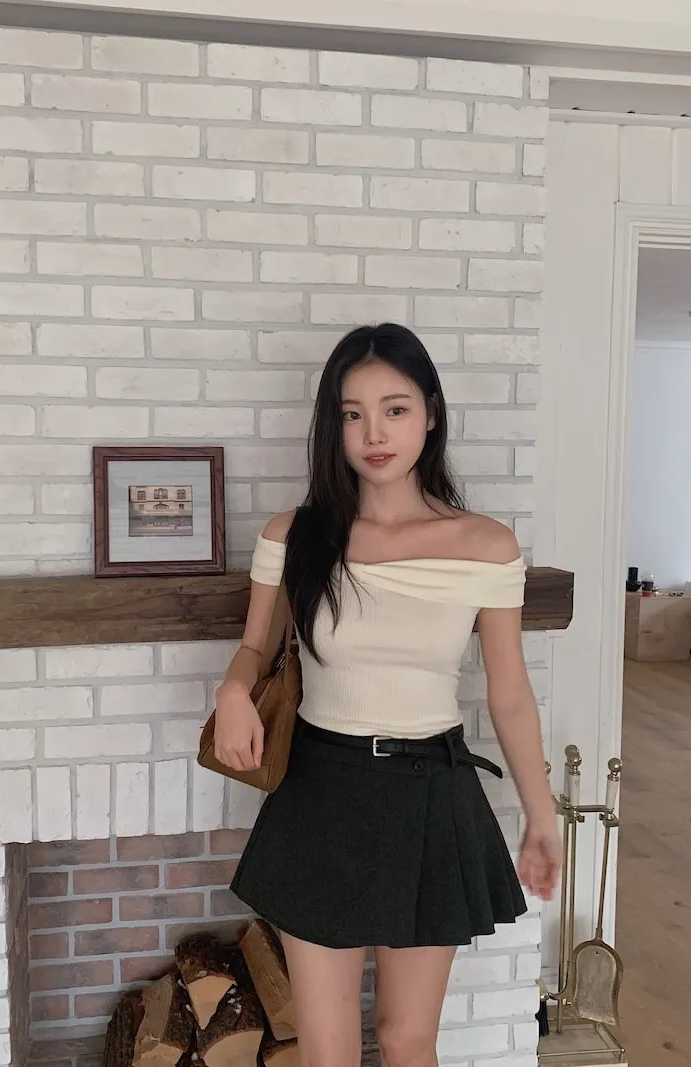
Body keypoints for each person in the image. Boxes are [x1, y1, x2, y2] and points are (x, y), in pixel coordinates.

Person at [214, 323, 561, 1067]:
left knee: (407, 1039)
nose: (374, 433)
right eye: (353, 413)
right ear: (332, 425)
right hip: (322, 791)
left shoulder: (486, 546)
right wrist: (233, 692)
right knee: (329, 1047)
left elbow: (509, 695)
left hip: (431, 794)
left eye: (395, 409)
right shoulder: (295, 536)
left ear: (430, 414)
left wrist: (542, 815)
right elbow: (253, 650)